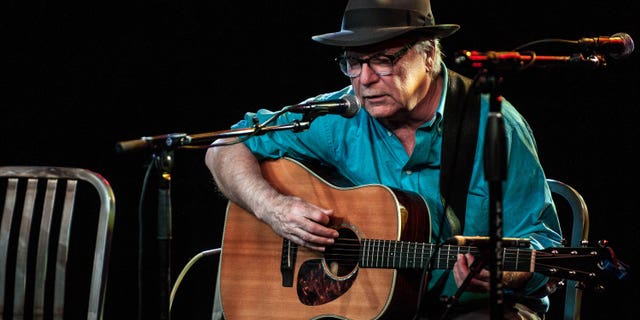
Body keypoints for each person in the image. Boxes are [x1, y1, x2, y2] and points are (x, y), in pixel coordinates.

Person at [205, 0, 563, 319]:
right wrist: (273, 208)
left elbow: (543, 243)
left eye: (383, 59)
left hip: (475, 307)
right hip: (378, 307)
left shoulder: (493, 126)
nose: (365, 79)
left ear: (428, 55)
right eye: (353, 62)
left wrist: (508, 270)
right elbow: (226, 145)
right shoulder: (340, 116)